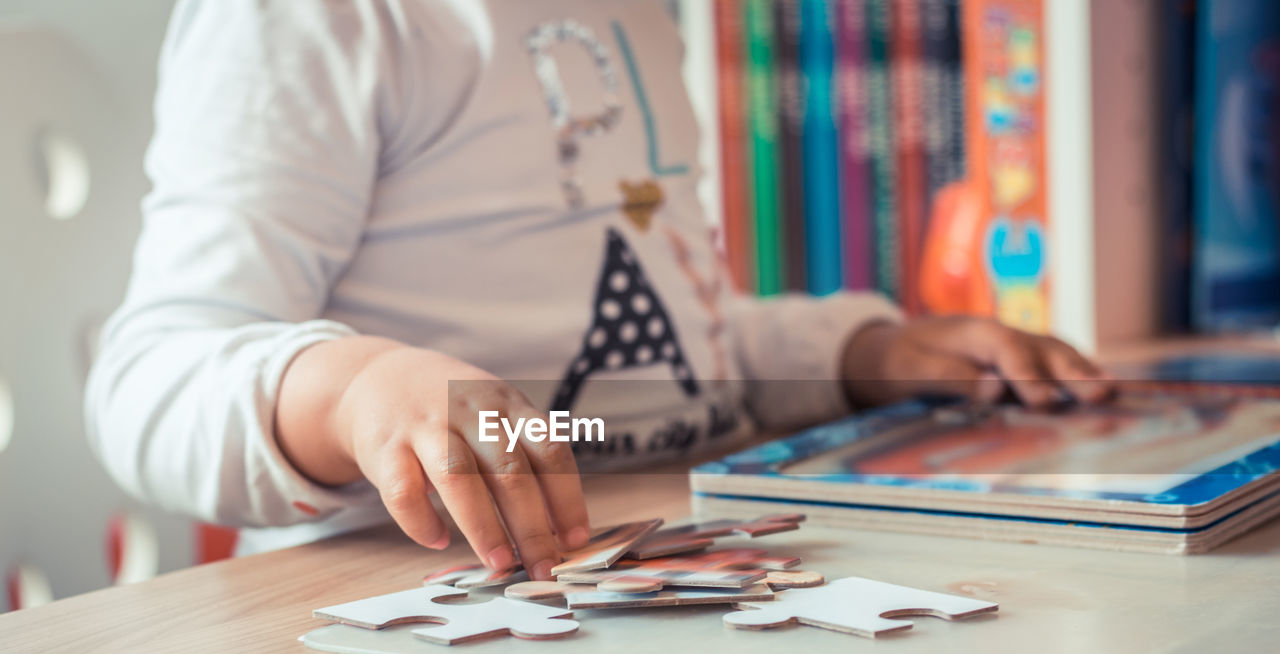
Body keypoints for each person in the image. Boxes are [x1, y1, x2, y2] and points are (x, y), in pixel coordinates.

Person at [85, 0, 1111, 581]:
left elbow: (666, 349)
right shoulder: (306, 22)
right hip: (427, 591)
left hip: (675, 558)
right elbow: (148, 376)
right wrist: (354, 395)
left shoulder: (639, 18)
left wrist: (853, 352)